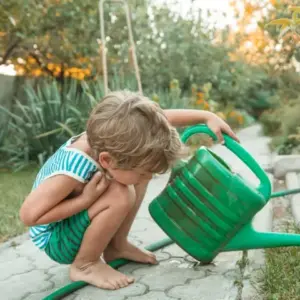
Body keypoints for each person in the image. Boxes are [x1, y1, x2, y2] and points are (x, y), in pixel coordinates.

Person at [19, 90, 239, 290]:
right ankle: (85, 264)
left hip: (69, 223)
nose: (150, 178)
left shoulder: (114, 136)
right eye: (146, 172)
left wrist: (206, 116)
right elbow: (29, 216)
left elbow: (158, 120)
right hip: (54, 238)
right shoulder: (73, 168)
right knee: (121, 194)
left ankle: (117, 246)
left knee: (133, 180)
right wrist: (85, 200)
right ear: (106, 160)